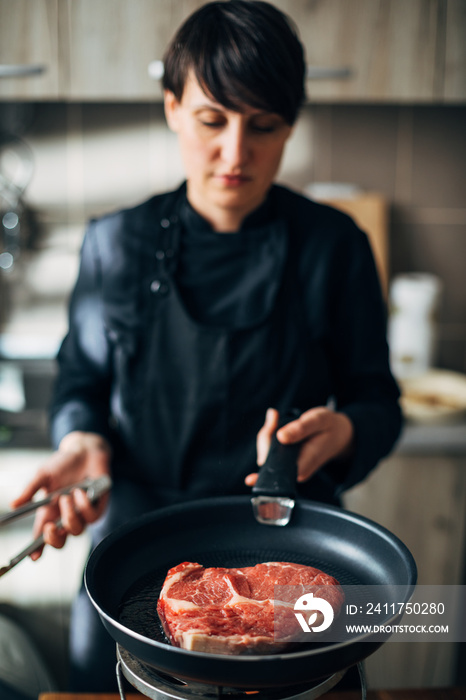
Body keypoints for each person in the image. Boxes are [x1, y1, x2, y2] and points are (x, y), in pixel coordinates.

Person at [11, 0, 402, 691]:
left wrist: (344, 430)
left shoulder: (334, 247)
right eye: (212, 120)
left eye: (264, 126)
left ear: (291, 126)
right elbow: (80, 385)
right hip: (136, 551)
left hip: (284, 554)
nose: (235, 153)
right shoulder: (115, 244)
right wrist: (81, 441)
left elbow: (378, 400)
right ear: (171, 107)